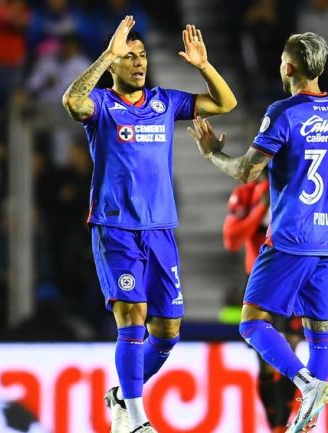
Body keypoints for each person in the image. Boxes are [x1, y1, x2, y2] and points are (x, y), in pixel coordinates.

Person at [61, 16, 236, 433]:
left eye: (141, 56)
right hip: (116, 227)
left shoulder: (164, 102)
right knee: (132, 314)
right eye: (129, 57)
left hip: (159, 229)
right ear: (116, 65)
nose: (138, 63)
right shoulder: (103, 105)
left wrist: (204, 66)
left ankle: (123, 395)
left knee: (168, 330)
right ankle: (137, 420)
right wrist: (107, 53)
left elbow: (226, 104)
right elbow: (72, 101)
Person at [187, 32, 328, 432]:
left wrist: (213, 151)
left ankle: (304, 384)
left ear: (288, 67)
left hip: (290, 239)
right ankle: (308, 417)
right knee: (320, 336)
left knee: (251, 323)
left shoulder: (284, 113)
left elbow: (247, 171)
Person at [222, 173, 305, 432]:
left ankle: (283, 425)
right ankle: (275, 425)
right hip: (259, 278)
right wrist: (261, 209)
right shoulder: (247, 194)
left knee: (290, 348)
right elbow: (232, 239)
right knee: (266, 357)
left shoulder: (296, 185)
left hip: (291, 276)